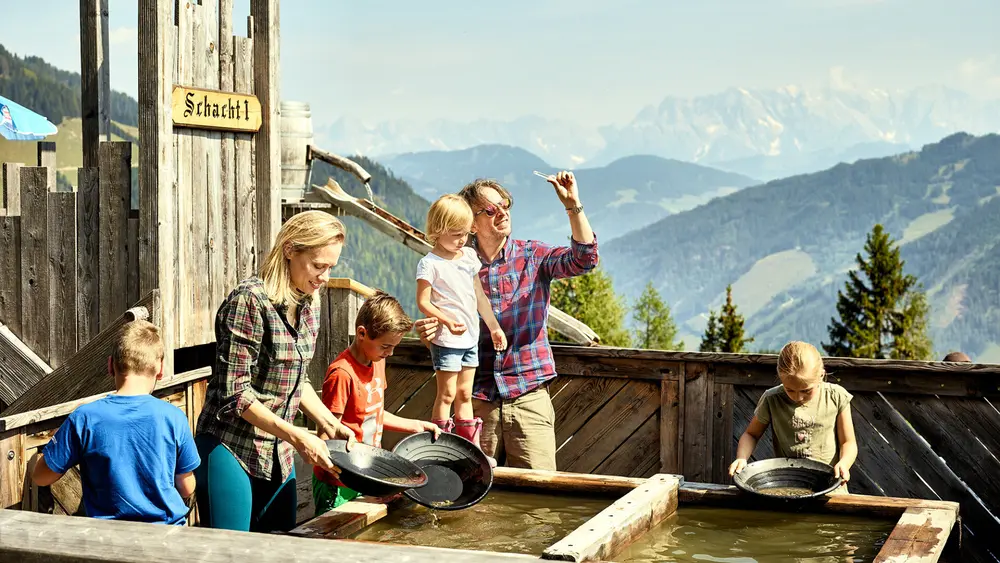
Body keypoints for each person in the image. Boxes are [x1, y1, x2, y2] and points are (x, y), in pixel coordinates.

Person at [418, 171, 598, 470]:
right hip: (474, 403)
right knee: (472, 496)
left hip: (529, 397)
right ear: (471, 224)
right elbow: (440, 323)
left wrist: (573, 205)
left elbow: (585, 259)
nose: (502, 212)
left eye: (505, 204)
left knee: (539, 503)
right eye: (490, 209)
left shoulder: (533, 255)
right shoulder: (454, 265)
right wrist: (432, 332)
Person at [193, 210, 357, 533]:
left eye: (331, 268)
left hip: (278, 453)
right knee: (231, 555)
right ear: (290, 251)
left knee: (282, 548)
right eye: (318, 266)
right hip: (230, 446)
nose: (324, 277)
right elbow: (235, 395)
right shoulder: (249, 303)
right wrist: (298, 435)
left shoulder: (311, 303)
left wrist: (328, 423)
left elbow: (298, 378)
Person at [31, 320, 200, 525]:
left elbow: (41, 477)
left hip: (107, 539)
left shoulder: (84, 418)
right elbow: (186, 487)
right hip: (165, 537)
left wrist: (42, 455)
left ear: (111, 365)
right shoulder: (174, 417)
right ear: (161, 368)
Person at [312, 291, 443, 515]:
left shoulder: (377, 361)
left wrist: (416, 425)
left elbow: (374, 414)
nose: (390, 353)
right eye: (385, 346)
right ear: (362, 333)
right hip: (340, 480)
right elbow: (327, 432)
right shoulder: (342, 373)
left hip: (368, 470)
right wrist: (340, 470)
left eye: (394, 347)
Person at [416, 194, 506, 461]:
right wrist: (444, 319)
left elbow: (478, 295)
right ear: (437, 230)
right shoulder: (430, 264)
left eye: (466, 234)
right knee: (446, 394)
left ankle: (470, 450)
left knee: (466, 393)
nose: (462, 240)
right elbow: (423, 302)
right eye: (456, 234)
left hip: (470, 338)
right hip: (447, 341)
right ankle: (440, 447)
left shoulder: (468, 257)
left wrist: (494, 327)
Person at [729, 341, 857, 492]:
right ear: (780, 377)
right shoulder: (772, 399)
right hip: (786, 489)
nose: (798, 397)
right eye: (790, 390)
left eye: (806, 391)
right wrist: (742, 458)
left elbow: (848, 442)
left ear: (821, 375)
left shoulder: (836, 397)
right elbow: (751, 434)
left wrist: (844, 463)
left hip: (831, 490)